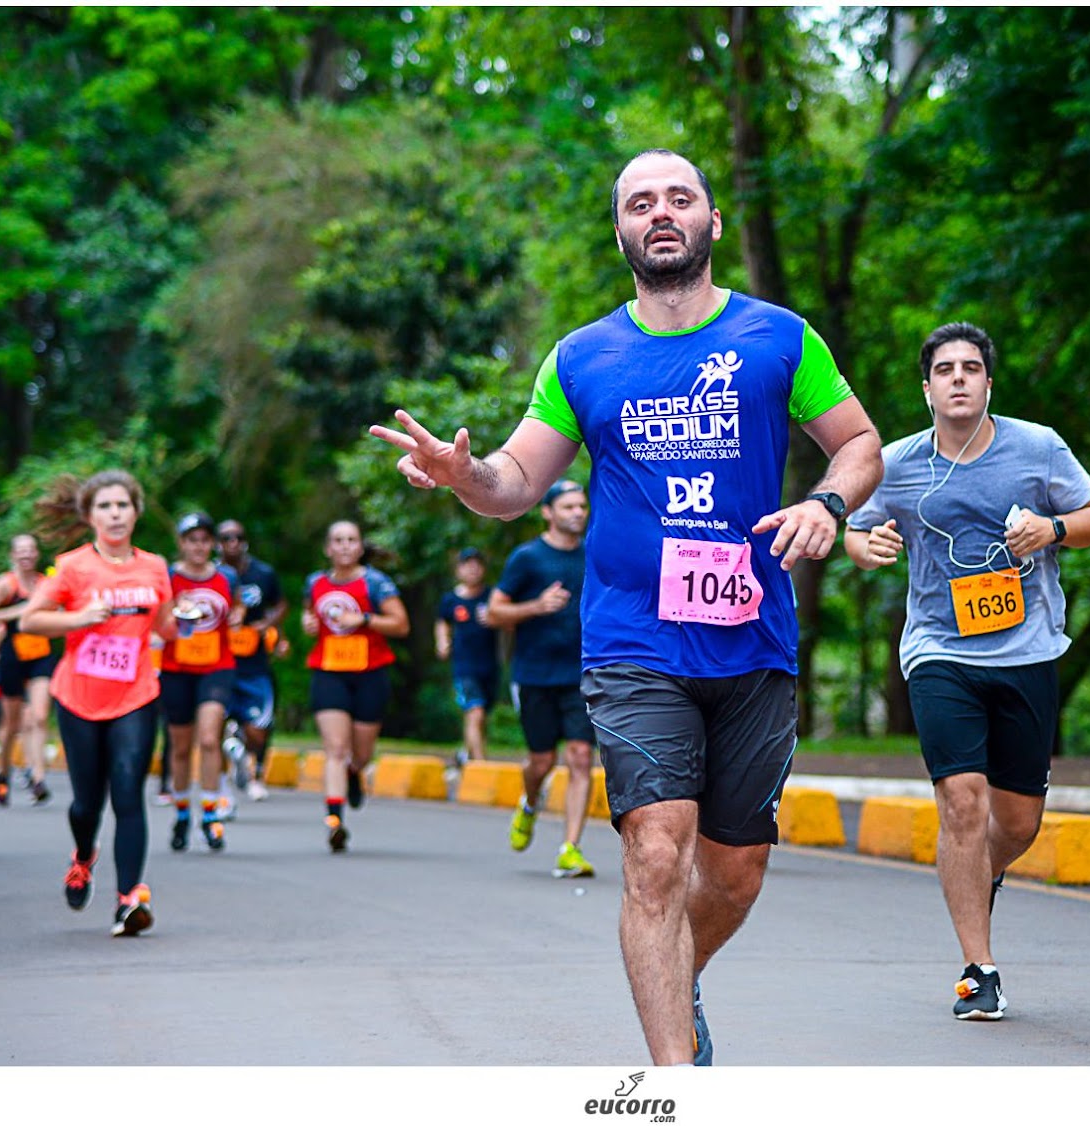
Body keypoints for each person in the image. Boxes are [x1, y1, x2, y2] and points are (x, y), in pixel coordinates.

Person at [370, 148, 882, 1064]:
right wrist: (464, 476)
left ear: (712, 221)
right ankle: (675, 1080)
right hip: (634, 643)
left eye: (679, 198)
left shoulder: (779, 338)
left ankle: (681, 973)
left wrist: (826, 504)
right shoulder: (582, 357)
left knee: (735, 872)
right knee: (655, 853)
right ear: (620, 232)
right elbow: (514, 482)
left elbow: (859, 444)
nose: (661, 213)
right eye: (640, 203)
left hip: (753, 639)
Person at [844, 320, 1090, 1021]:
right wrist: (866, 546)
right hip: (940, 650)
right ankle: (977, 970)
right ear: (926, 388)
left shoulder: (1038, 447)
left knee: (1016, 824)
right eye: (945, 370)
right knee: (963, 801)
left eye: (970, 368)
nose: (958, 378)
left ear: (989, 383)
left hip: (1026, 651)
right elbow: (854, 527)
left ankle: (976, 875)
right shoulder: (897, 462)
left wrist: (1052, 529)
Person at [20, 469, 179, 937]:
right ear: (90, 516)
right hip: (80, 698)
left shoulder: (154, 567)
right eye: (105, 506)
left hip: (136, 694)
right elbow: (30, 621)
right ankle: (83, 855)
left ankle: (128, 899)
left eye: (122, 505)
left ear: (136, 512)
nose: (115, 514)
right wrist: (79, 618)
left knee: (128, 793)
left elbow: (166, 626)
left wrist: (186, 619)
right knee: (86, 804)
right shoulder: (71, 567)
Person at [482, 483, 596, 878]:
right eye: (568, 506)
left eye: (581, 505)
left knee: (580, 756)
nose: (577, 512)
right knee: (542, 760)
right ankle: (530, 803)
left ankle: (570, 848)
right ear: (547, 512)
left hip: (583, 672)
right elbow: (493, 612)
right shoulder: (528, 558)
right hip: (534, 673)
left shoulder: (594, 553)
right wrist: (537, 606)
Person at [301, 520, 410, 853]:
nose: (345, 546)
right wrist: (308, 623)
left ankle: (353, 773)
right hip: (329, 672)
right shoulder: (315, 583)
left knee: (361, 754)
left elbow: (401, 624)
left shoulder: (376, 583)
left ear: (360, 547)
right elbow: (311, 616)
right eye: (338, 540)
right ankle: (335, 821)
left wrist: (363, 619)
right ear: (328, 548)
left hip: (369, 673)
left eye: (351, 540)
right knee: (335, 748)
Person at [159, 512, 243, 853]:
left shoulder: (227, 577)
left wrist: (237, 617)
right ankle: (182, 812)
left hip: (216, 666)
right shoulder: (168, 578)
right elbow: (158, 623)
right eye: (192, 540)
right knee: (180, 746)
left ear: (213, 544)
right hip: (177, 666)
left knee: (209, 738)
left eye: (205, 540)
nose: (198, 547)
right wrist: (174, 612)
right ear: (182, 543)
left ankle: (210, 814)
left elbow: (237, 609)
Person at [0, 534, 56, 806]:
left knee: (40, 715)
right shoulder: (5, 584)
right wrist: (18, 612)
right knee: (11, 724)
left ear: (37, 554)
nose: (26, 555)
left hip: (41, 653)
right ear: (12, 555)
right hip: (12, 654)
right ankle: (3, 773)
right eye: (21, 550)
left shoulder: (45, 584)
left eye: (31, 550)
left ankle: (38, 778)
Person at [216, 518, 288, 802]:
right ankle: (221, 786)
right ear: (217, 543)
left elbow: (279, 605)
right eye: (226, 538)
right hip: (219, 662)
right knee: (213, 725)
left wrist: (270, 628)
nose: (233, 543)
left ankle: (250, 764)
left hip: (255, 661)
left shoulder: (263, 573)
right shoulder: (211, 575)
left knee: (258, 729)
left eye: (238, 537)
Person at [435, 547, 500, 769]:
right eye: (467, 565)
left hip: (489, 666)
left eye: (477, 565)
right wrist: (442, 642)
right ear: (458, 570)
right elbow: (442, 622)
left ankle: (465, 754)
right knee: (475, 711)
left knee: (480, 717)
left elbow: (507, 621)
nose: (473, 569)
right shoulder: (450, 599)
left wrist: (494, 618)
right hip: (464, 666)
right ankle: (480, 766)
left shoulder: (491, 596)